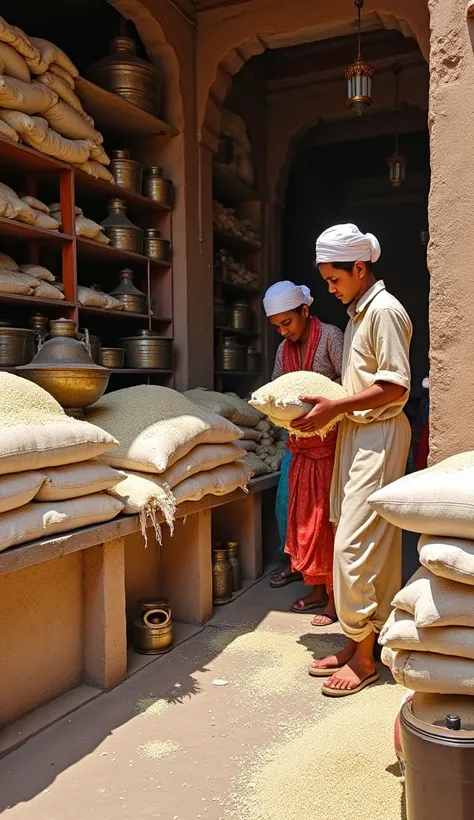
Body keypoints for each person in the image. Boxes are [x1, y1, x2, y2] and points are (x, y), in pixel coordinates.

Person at [292, 224, 412, 695]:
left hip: (378, 434)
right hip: (356, 433)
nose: (329, 288)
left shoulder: (384, 311)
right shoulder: (360, 311)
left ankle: (364, 661)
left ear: (359, 268)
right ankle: (360, 638)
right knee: (358, 538)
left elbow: (396, 385)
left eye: (333, 279)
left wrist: (336, 406)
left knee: (353, 547)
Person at [264, 280, 344, 624]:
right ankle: (315, 587)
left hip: (330, 447)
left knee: (328, 521)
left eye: (288, 323)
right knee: (301, 520)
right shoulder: (284, 351)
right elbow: (277, 388)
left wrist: (325, 408)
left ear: (305, 311)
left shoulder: (331, 336)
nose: (283, 331)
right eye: (277, 326)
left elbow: (349, 385)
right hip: (299, 446)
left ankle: (335, 597)